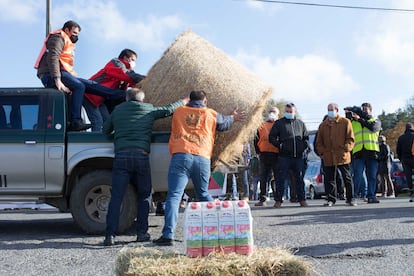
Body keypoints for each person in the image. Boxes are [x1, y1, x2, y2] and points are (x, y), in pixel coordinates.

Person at [153, 90, 246, 246]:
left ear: (190, 99)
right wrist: (233, 117)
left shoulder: (179, 111)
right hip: (202, 157)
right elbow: (224, 124)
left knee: (175, 196)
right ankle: (223, 229)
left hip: (181, 156)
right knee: (203, 194)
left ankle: (168, 235)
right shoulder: (210, 113)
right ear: (205, 101)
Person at [102, 88, 188, 246]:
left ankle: (110, 235)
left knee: (117, 197)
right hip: (141, 156)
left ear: (127, 99)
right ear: (141, 100)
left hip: (121, 156)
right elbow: (168, 109)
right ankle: (141, 233)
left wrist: (118, 137)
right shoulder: (148, 109)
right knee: (145, 195)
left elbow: (105, 130)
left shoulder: (117, 110)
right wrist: (183, 101)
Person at [35, 20, 126, 131]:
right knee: (79, 86)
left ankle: (122, 95)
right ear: (67, 30)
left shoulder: (67, 40)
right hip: (50, 75)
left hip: (63, 74)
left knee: (91, 85)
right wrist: (57, 79)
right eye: (74, 33)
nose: (76, 36)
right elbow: (52, 57)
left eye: (77, 34)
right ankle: (76, 121)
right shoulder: (57, 38)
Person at [83, 49, 146, 131]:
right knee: (97, 121)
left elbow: (132, 82)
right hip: (91, 95)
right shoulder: (115, 63)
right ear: (126, 58)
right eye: (133, 60)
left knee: (108, 120)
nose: (134, 63)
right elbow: (127, 75)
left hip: (100, 99)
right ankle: (96, 143)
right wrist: (148, 78)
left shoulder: (126, 69)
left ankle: (105, 141)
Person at [269, 103, 309, 208]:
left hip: (298, 157)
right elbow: (271, 137)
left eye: (291, 112)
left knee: (299, 179)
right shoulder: (279, 123)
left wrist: (304, 146)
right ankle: (278, 200)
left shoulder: (301, 124)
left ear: (294, 112)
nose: (289, 113)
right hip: (284, 157)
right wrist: (280, 145)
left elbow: (306, 138)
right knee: (280, 179)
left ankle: (302, 200)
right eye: (287, 111)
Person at [315, 103, 356, 206]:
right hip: (328, 156)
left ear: (337, 110)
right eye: (328, 109)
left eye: (331, 109)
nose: (330, 112)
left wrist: (346, 149)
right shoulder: (323, 125)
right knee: (329, 179)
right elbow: (318, 142)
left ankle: (350, 198)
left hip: (342, 155)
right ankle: (331, 199)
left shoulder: (345, 122)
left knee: (347, 177)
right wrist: (322, 152)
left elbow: (350, 138)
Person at [348, 102, 381, 204]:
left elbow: (373, 128)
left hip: (372, 152)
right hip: (359, 153)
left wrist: (360, 119)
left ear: (370, 110)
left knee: (371, 176)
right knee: (357, 175)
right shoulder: (354, 123)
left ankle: (371, 195)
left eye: (366, 110)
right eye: (363, 110)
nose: (364, 112)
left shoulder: (375, 120)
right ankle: (353, 196)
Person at [254, 106, 280, 206]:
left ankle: (278, 199)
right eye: (270, 111)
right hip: (264, 155)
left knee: (277, 177)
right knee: (263, 178)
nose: (271, 113)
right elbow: (255, 139)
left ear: (278, 114)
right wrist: (258, 152)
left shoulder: (279, 125)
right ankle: (262, 199)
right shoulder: (261, 125)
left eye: (274, 112)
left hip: (276, 155)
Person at [396, 123, 414, 202]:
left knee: (408, 176)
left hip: (405, 159)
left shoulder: (401, 138)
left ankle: (411, 190)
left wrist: (401, 158)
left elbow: (398, 150)